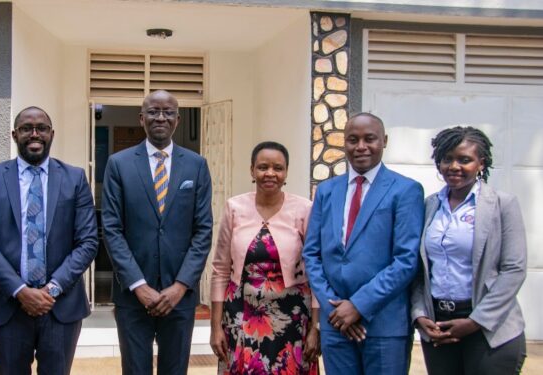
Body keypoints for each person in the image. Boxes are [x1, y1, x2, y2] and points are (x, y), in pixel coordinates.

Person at [0, 106, 98, 375]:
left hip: (60, 306)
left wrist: (51, 290)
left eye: (41, 128)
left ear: (51, 134)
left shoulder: (74, 178)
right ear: (14, 134)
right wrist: (21, 291)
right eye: (27, 128)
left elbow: (87, 242)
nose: (34, 134)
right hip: (8, 305)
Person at [302, 112, 424, 375]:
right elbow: (312, 255)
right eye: (352, 139)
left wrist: (358, 305)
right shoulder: (326, 191)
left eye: (370, 139)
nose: (360, 147)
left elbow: (406, 260)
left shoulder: (405, 190)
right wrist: (335, 307)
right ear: (343, 142)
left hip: (383, 324)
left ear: (384, 141)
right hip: (336, 324)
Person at [101, 90, 213, 375]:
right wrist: (139, 286)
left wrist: (180, 286)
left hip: (180, 296)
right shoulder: (119, 164)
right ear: (142, 118)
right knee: (135, 370)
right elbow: (112, 229)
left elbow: (203, 231)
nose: (160, 117)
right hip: (132, 297)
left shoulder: (196, 165)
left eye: (168, 112)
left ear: (177, 120)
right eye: (153, 111)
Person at [411, 126, 527, 374]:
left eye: (465, 160)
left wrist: (475, 321)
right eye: (447, 159)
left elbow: (514, 270)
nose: (454, 166)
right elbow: (420, 271)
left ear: (480, 163)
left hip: (490, 330)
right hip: (439, 327)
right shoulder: (430, 205)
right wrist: (420, 315)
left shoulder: (502, 205)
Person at [210, 141, 320, 374]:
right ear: (252, 170)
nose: (270, 173)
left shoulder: (304, 210)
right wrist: (215, 327)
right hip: (242, 315)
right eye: (263, 167)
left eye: (278, 168)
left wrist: (315, 327)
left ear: (286, 172)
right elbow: (220, 270)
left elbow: (315, 270)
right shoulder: (234, 208)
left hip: (292, 318)